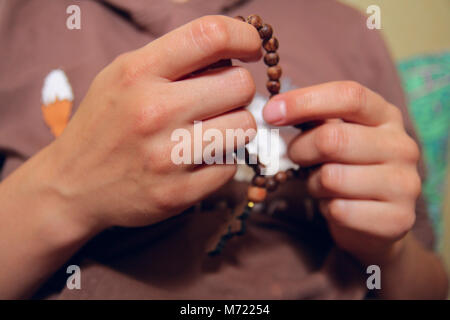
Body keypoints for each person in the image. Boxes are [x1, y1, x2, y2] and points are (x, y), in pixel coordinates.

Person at [0, 0, 447, 299]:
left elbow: (430, 284)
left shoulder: (349, 29)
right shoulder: (18, 20)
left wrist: (385, 252)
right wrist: (65, 190)